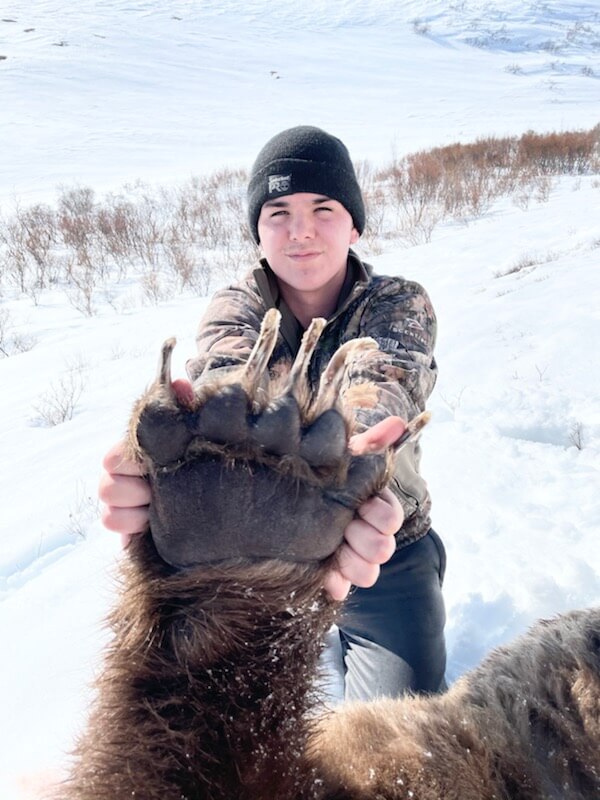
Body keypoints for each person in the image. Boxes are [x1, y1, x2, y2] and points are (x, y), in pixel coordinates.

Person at [99, 125, 446, 701]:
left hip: (378, 545)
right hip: (253, 560)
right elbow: (223, 376)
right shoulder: (237, 304)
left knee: (401, 734)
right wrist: (178, 462)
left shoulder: (397, 301)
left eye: (323, 208)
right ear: (258, 232)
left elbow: (382, 385)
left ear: (355, 223)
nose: (300, 229)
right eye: (278, 211)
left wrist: (347, 468)